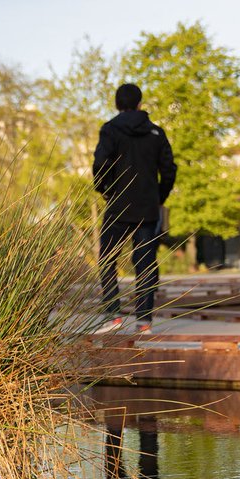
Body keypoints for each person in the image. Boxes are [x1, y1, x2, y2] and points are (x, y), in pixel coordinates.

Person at [92, 83, 177, 335]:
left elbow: (99, 165)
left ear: (118, 104)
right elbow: (169, 169)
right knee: (145, 263)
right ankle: (144, 322)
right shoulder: (156, 133)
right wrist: (159, 196)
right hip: (147, 208)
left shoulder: (110, 130)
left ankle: (113, 315)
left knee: (107, 258)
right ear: (140, 103)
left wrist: (106, 190)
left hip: (118, 205)